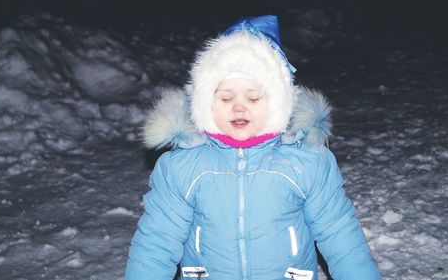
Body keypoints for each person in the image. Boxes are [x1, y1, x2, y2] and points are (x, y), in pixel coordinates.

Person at [124, 15, 381, 280]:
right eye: (225, 97)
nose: (238, 106)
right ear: (204, 103)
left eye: (253, 97)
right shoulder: (183, 166)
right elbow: (156, 240)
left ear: (278, 102)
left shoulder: (307, 162)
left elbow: (339, 234)